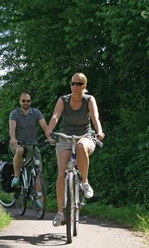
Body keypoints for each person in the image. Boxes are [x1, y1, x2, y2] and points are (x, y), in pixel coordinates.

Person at [45, 72, 105, 227]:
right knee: (60, 174)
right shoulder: (63, 100)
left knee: (81, 147)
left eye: (78, 84)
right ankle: (60, 213)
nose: (75, 86)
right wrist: (49, 130)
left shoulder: (89, 99)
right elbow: (55, 116)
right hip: (65, 136)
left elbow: (95, 117)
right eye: (73, 83)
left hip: (85, 136)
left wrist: (99, 131)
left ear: (84, 86)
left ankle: (84, 182)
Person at [9, 92, 49, 188]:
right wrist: (14, 139)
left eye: (28, 101)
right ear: (20, 102)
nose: (26, 102)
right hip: (18, 143)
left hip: (32, 144)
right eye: (23, 101)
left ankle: (38, 195)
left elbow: (45, 127)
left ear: (30, 102)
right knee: (20, 150)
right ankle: (16, 177)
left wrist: (50, 137)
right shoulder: (15, 114)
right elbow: (12, 128)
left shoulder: (36, 113)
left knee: (38, 169)